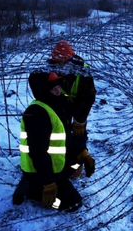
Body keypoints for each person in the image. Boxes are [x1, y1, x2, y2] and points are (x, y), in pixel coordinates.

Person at [13, 71, 82, 211]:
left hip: (56, 165)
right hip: (41, 171)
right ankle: (33, 192)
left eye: (58, 86)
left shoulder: (57, 104)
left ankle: (45, 182)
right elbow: (38, 152)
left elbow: (67, 136)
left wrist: (79, 157)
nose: (58, 90)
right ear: (43, 91)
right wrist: (48, 183)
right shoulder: (37, 113)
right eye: (53, 88)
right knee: (72, 203)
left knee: (76, 165)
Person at [48, 40, 96, 179]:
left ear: (69, 60)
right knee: (60, 135)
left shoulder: (83, 71)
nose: (59, 66)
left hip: (78, 106)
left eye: (61, 63)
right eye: (56, 63)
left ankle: (77, 165)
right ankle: (59, 162)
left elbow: (88, 98)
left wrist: (80, 120)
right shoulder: (51, 67)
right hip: (61, 106)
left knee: (78, 134)